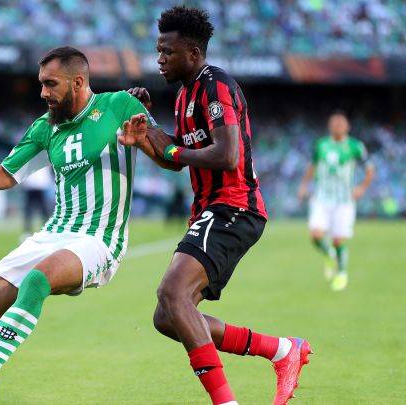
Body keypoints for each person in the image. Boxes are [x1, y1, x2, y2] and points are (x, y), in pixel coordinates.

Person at [0, 46, 170, 405]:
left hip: (99, 238)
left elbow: (171, 159)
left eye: (51, 84)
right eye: (41, 84)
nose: (43, 93)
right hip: (54, 232)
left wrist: (143, 141)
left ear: (78, 82)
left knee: (37, 280)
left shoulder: (120, 105)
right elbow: (7, 174)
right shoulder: (45, 127)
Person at [119, 7, 311, 404]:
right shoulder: (184, 95)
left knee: (173, 294)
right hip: (211, 210)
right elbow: (174, 160)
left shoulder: (215, 84)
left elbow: (226, 155)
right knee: (168, 317)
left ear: (193, 53)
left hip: (233, 207)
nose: (159, 59)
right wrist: (145, 129)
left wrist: (170, 148)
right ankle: (281, 350)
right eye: (158, 51)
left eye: (167, 52)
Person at [297, 111, 374, 291]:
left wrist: (362, 188)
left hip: (344, 200)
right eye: (335, 123)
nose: (338, 126)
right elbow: (312, 166)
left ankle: (342, 273)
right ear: (330, 126)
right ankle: (329, 254)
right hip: (321, 198)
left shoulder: (355, 146)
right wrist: (304, 185)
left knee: (339, 240)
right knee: (316, 235)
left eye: (341, 123)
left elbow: (370, 169)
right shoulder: (321, 145)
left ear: (348, 126)